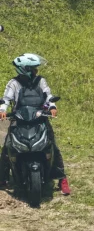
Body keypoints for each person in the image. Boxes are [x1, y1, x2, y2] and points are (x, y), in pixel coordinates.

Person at [0, 53, 70, 195]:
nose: (36, 70)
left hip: (39, 118)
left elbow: (48, 95)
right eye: (33, 68)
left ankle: (62, 179)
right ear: (25, 69)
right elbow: (6, 99)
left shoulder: (40, 81)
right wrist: (2, 110)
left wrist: (52, 107)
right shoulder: (14, 83)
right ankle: (2, 178)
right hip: (19, 119)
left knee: (53, 146)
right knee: (8, 148)